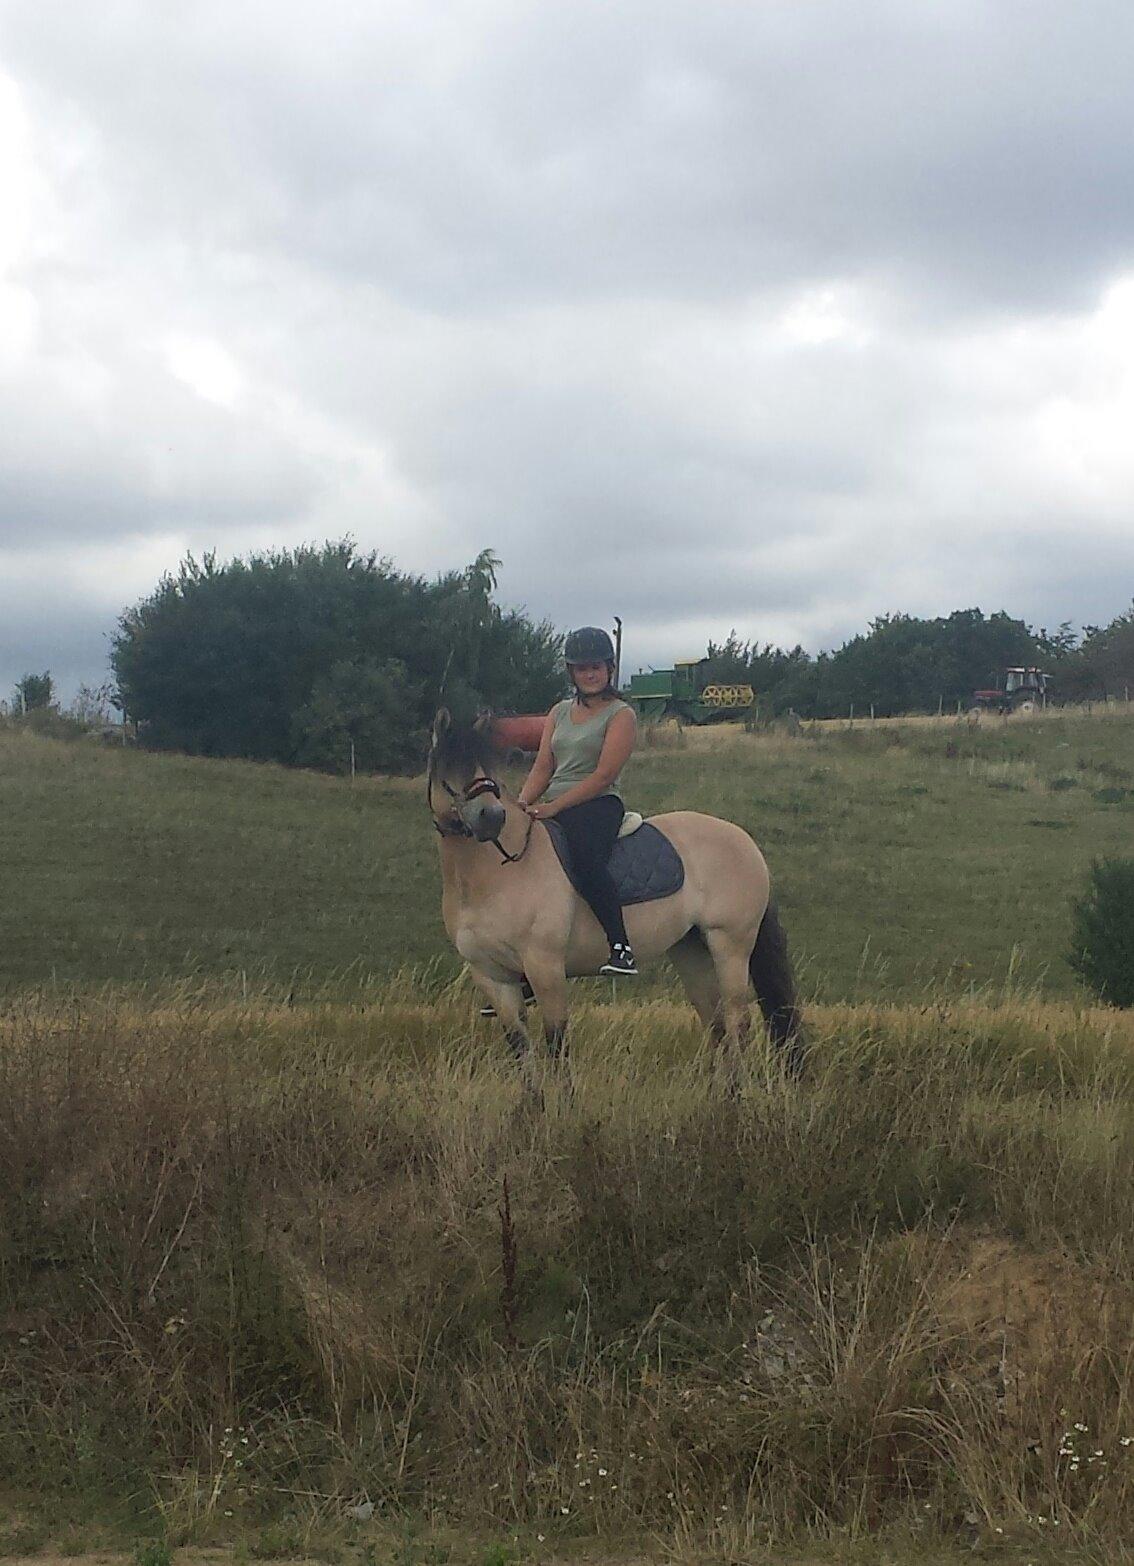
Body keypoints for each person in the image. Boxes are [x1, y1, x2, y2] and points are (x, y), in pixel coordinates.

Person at [519, 626, 639, 976]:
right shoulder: (558, 712)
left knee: (585, 859)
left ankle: (621, 946)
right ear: (571, 672)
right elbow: (543, 766)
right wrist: (521, 805)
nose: (589, 674)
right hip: (556, 799)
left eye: (596, 667)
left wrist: (554, 808)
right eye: (582, 667)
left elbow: (603, 775)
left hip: (599, 802)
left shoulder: (621, 715)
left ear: (609, 669)